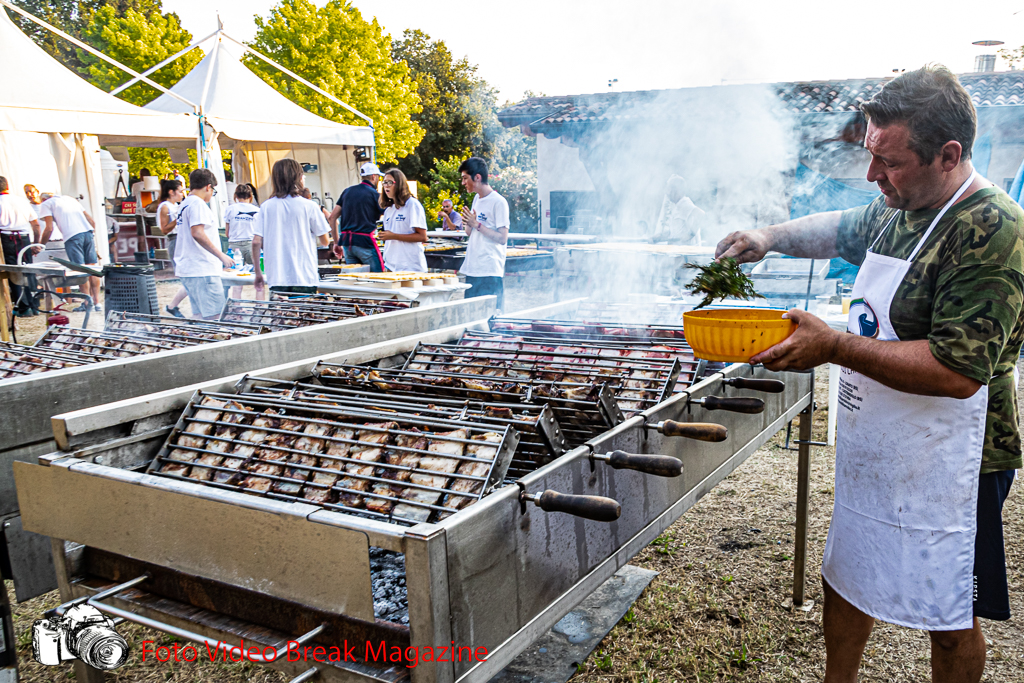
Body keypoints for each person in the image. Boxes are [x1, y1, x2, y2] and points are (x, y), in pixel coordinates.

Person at [716, 65, 1023, 683]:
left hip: (957, 455)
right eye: (870, 155)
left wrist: (833, 347)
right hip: (879, 435)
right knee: (849, 572)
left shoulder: (992, 228)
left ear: (948, 154)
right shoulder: (896, 207)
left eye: (889, 160)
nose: (872, 175)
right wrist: (767, 236)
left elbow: (957, 371)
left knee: (949, 608)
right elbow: (836, 228)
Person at [252, 159, 330, 295]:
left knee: (280, 315)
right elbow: (325, 241)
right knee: (304, 314)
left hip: (276, 278)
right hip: (305, 277)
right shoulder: (310, 206)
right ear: (298, 178)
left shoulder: (266, 206)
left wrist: (258, 273)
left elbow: (256, 241)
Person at [174, 169, 233, 319]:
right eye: (213, 190)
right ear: (208, 187)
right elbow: (197, 232)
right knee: (215, 316)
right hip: (202, 268)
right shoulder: (198, 204)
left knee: (199, 315)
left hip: (189, 267)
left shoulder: (185, 204)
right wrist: (221, 255)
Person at [458, 157, 509, 311]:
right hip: (472, 268)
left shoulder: (499, 202)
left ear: (478, 177)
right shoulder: (476, 199)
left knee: (492, 320)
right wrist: (468, 222)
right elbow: (470, 233)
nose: (463, 183)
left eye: (465, 178)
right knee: (470, 318)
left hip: (489, 271)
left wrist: (477, 224)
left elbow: (502, 238)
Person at [37, 194, 102, 311]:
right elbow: (91, 221)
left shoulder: (46, 204)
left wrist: (41, 245)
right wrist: (91, 235)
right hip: (88, 233)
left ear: (43, 199)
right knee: (93, 268)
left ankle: (87, 303)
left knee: (80, 269)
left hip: (72, 236)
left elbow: (49, 228)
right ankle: (97, 303)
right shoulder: (70, 199)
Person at [330, 162, 384, 272]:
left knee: (355, 280)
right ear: (374, 176)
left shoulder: (347, 191)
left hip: (347, 244)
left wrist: (336, 242)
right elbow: (388, 215)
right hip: (365, 242)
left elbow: (331, 218)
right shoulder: (375, 195)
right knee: (378, 278)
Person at [0, 176, 42, 316]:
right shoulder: (22, 201)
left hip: (7, 239)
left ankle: (24, 307)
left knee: (14, 272)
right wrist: (36, 243)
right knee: (27, 270)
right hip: (24, 238)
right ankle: (34, 305)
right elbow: (35, 224)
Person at [379, 168, 427, 273]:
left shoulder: (412, 205)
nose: (386, 185)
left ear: (399, 184)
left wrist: (393, 236)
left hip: (410, 267)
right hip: (391, 266)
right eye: (384, 182)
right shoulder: (389, 210)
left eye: (390, 182)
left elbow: (422, 236)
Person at [156, 179, 190, 318]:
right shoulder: (165, 207)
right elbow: (164, 229)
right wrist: (179, 219)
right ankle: (172, 306)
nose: (182, 194)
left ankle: (173, 306)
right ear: (171, 192)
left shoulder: (175, 205)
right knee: (187, 275)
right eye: (180, 191)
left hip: (181, 238)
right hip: (174, 239)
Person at [225, 184, 262, 300]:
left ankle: (237, 307)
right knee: (258, 277)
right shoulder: (257, 210)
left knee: (237, 280)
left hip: (234, 246)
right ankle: (259, 307)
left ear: (235, 195)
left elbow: (227, 232)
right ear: (251, 196)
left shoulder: (230, 209)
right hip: (252, 245)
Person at [652, 175, 704, 244]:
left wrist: (690, 234)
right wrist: (660, 236)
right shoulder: (676, 206)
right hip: (678, 250)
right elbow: (675, 232)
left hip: (686, 251)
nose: (667, 193)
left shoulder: (684, 203)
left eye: (668, 189)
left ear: (675, 190)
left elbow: (701, 214)